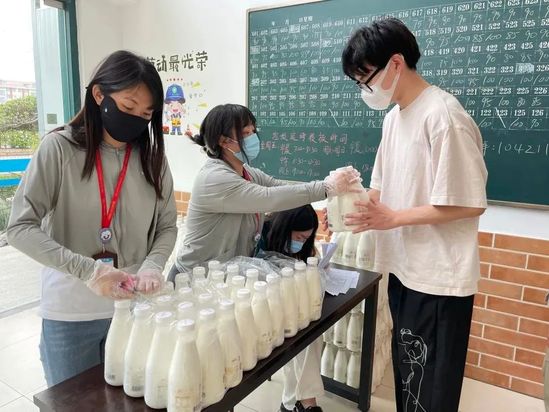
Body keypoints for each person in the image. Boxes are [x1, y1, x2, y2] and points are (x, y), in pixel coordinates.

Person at [340, 18, 488, 412]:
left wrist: (393, 219)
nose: (365, 90)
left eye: (365, 79)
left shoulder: (444, 115)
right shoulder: (394, 118)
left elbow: (470, 201)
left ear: (395, 63)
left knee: (432, 390)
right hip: (404, 268)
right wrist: (346, 212)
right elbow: (380, 188)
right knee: (410, 378)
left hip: (439, 278)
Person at [7, 50, 177, 386]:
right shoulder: (58, 148)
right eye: (128, 106)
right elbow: (19, 228)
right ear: (99, 94)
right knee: (74, 403)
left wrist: (152, 265)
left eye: (146, 114)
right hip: (71, 313)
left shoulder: (152, 158)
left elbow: (167, 225)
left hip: (134, 308)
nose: (136, 119)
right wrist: (89, 270)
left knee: (132, 400)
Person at [168, 103, 357, 277]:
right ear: (224, 141)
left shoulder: (247, 172)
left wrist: (331, 195)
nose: (253, 137)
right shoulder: (214, 178)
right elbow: (269, 198)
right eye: (245, 133)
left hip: (224, 277)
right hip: (192, 278)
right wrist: (326, 187)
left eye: (253, 131)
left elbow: (278, 186)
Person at [258, 205, 323, 412]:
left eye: (306, 239)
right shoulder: (261, 234)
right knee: (304, 334)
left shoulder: (299, 245)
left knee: (309, 331)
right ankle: (305, 403)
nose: (301, 243)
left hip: (289, 305)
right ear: (286, 227)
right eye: (299, 237)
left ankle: (295, 403)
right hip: (262, 306)